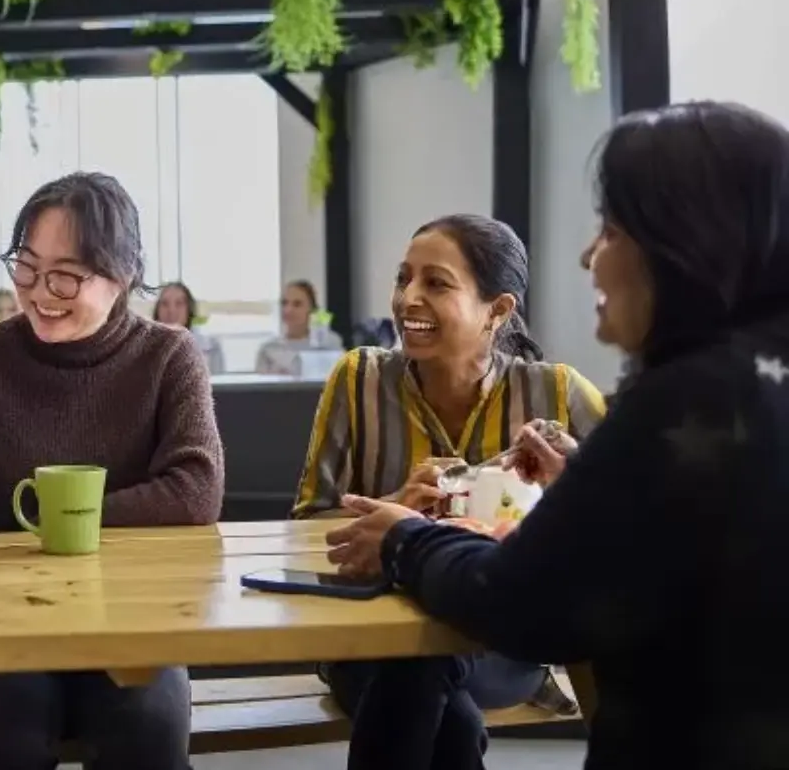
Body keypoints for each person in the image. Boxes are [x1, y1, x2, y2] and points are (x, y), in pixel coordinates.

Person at [327, 102, 789, 770]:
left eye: (612, 230)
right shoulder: (752, 383)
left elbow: (525, 604)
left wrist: (404, 538)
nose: (588, 256)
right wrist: (582, 487)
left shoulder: (686, 399)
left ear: (682, 242)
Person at [0, 171, 224, 770]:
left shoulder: (168, 356)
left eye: (66, 275)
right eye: (25, 267)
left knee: (146, 735)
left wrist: (62, 521)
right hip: (1, 623)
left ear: (122, 275)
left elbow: (196, 490)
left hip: (135, 620)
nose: (40, 291)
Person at [295, 214, 606, 770]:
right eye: (403, 278)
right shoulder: (357, 379)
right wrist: (396, 507)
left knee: (425, 669)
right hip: (369, 638)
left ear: (498, 310)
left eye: (436, 283)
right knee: (446, 709)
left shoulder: (556, 394)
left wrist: (570, 486)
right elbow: (303, 533)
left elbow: (624, 528)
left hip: (500, 637)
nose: (407, 298)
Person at [255, 279, 344, 375]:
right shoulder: (269, 348)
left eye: (297, 304)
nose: (288, 310)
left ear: (312, 310)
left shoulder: (330, 344)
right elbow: (262, 387)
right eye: (284, 303)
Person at [153, 280, 225, 374]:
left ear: (189, 310)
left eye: (179, 303)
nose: (171, 310)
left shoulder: (211, 348)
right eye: (165, 304)